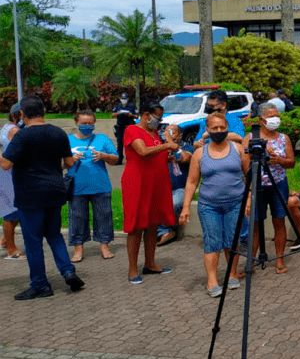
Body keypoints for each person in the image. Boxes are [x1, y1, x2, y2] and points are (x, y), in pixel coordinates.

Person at [0, 95, 84, 300]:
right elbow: (70, 163)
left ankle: (40, 284)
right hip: (55, 191)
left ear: (22, 114)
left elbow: (6, 164)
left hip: (30, 195)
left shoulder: (22, 136)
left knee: (33, 240)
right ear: (44, 112)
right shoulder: (58, 132)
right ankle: (68, 271)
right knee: (54, 234)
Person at [180, 113, 249, 297]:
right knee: (213, 242)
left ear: (227, 128)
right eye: (214, 128)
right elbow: (192, 182)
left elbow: (249, 176)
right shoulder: (200, 153)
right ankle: (212, 281)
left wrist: (248, 200)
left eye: (222, 128)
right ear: (207, 130)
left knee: (233, 241)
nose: (219, 131)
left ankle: (232, 273)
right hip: (209, 205)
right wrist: (186, 207)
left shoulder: (238, 149)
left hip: (235, 203)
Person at [122, 101, 179, 284]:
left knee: (153, 223)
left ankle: (150, 263)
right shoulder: (132, 130)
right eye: (157, 117)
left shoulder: (155, 133)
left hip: (156, 184)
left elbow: (154, 153)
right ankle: (132, 269)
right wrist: (166, 146)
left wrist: (166, 156)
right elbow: (143, 152)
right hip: (137, 183)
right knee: (137, 226)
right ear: (146, 115)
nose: (159, 121)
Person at [242, 103, 295, 274]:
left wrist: (279, 160)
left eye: (277, 116)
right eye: (271, 116)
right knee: (255, 223)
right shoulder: (251, 137)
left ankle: (279, 258)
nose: (275, 119)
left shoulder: (283, 138)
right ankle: (252, 260)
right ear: (261, 119)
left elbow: (292, 162)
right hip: (258, 184)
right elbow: (245, 164)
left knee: (279, 220)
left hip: (278, 184)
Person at [67, 110, 119, 262]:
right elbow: (61, 164)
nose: (87, 126)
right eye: (84, 123)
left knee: (104, 217)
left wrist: (104, 156)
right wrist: (72, 159)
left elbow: (115, 159)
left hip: (100, 186)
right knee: (77, 218)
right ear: (76, 123)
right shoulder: (68, 140)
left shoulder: (102, 139)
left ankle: (104, 247)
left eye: (90, 123)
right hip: (76, 187)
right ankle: (78, 249)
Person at [157, 124, 194, 247]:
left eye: (172, 132)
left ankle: (166, 230)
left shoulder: (187, 147)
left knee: (175, 203)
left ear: (180, 136)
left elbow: (185, 158)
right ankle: (163, 231)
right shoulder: (160, 148)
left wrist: (173, 146)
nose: (168, 135)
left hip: (180, 188)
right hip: (161, 188)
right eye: (166, 132)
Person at [0, 103, 23, 259]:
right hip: (9, 175)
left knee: (14, 212)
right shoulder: (15, 131)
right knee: (11, 213)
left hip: (6, 174)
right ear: (17, 115)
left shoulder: (6, 127)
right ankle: (11, 249)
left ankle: (5, 241)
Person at [111, 92, 138, 165]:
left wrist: (131, 115)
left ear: (128, 99)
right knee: (120, 143)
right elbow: (112, 115)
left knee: (131, 144)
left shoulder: (132, 106)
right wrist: (118, 113)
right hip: (120, 127)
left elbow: (137, 116)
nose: (124, 100)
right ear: (120, 99)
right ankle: (119, 159)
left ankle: (132, 159)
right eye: (122, 99)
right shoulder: (117, 106)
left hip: (129, 127)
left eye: (125, 99)